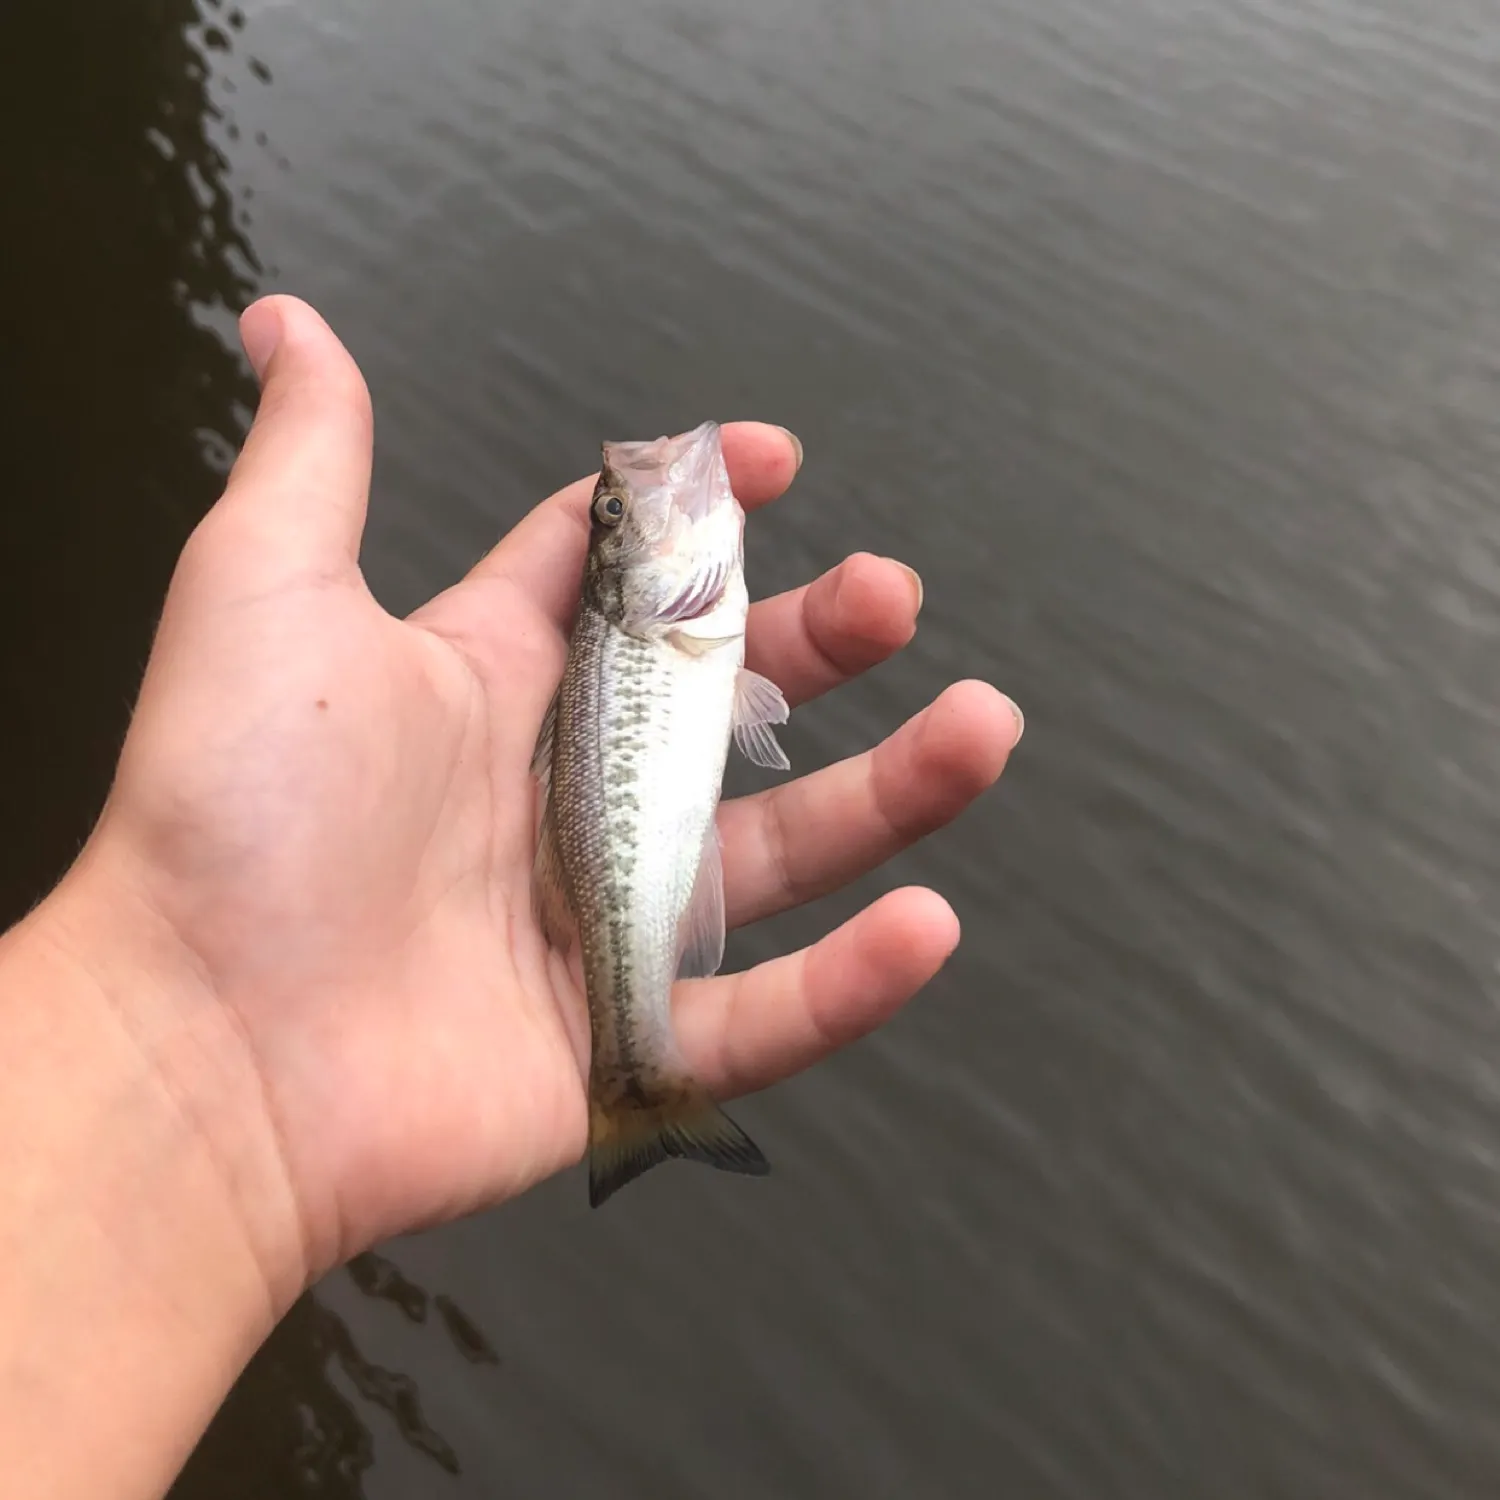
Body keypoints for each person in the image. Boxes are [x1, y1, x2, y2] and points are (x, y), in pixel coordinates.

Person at [0, 295, 1022, 1498]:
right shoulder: (662, 626)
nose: (636, 493)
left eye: (616, 513)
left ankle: (633, 1081)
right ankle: (635, 1085)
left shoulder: (665, 628)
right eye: (615, 511)